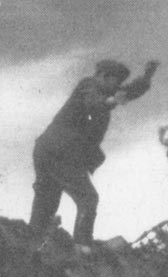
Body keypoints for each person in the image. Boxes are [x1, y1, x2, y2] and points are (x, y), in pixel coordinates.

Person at [29, 59, 158, 245]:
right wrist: (112, 100)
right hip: (60, 152)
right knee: (88, 198)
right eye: (114, 82)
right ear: (103, 76)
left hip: (49, 150)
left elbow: (129, 92)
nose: (116, 87)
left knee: (47, 201)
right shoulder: (88, 85)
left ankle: (32, 240)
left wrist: (147, 76)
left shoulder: (105, 91)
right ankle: (82, 247)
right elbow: (93, 103)